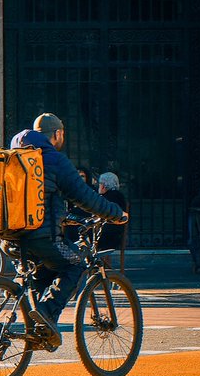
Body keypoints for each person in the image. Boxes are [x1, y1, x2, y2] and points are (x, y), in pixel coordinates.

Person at [10, 113, 127, 350]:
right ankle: (44, 313)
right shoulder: (54, 159)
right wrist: (116, 213)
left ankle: (37, 329)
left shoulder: (14, 156)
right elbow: (85, 197)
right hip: (40, 237)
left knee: (42, 274)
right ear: (57, 134)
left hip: (9, 238)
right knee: (75, 265)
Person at [96, 172, 129, 252]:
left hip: (108, 235)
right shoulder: (118, 195)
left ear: (104, 185)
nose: (99, 186)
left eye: (100, 183)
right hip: (113, 233)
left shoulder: (108, 197)